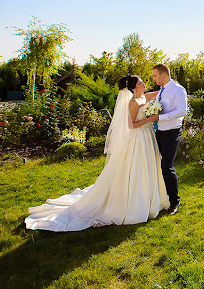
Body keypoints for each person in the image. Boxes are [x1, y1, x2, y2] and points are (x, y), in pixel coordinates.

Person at [24, 75, 170, 231]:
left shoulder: (143, 98)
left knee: (148, 167)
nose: (144, 83)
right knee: (137, 168)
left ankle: (150, 198)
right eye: (140, 83)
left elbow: (157, 93)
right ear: (134, 88)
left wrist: (168, 86)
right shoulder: (133, 102)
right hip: (138, 138)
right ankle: (135, 202)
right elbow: (131, 125)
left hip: (148, 137)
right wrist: (148, 120)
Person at [145, 64, 187, 215]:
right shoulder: (161, 92)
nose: (153, 78)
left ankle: (175, 202)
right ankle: (159, 197)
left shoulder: (177, 90)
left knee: (167, 166)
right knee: (157, 164)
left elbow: (182, 110)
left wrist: (160, 117)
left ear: (163, 75)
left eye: (155, 76)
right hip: (159, 132)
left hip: (172, 132)